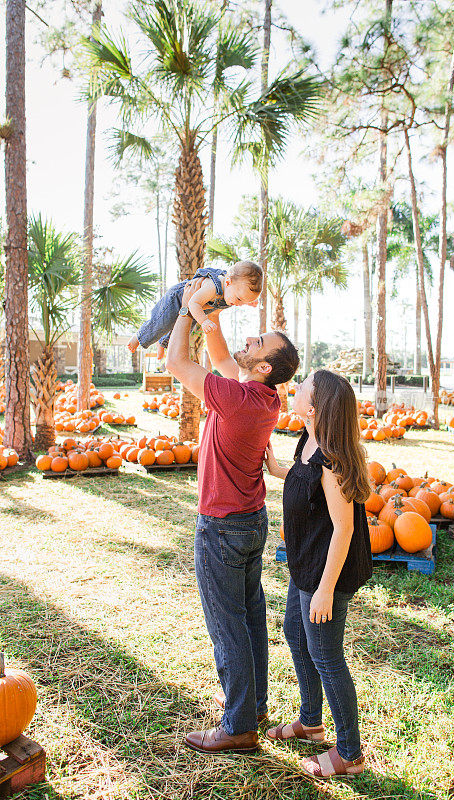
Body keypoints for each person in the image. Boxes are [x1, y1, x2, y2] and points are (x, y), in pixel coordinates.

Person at [165, 279, 299, 754]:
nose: (250, 339)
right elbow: (222, 362)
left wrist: (186, 311)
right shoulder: (262, 397)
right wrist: (211, 320)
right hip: (250, 520)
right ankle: (255, 705)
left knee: (228, 627)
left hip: (222, 526)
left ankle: (239, 725)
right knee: (249, 619)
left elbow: (176, 363)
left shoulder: (238, 399)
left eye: (258, 342)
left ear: (264, 366)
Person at [264, 369, 372, 780]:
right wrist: (277, 470)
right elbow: (303, 481)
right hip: (306, 564)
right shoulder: (307, 440)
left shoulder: (332, 458)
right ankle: (310, 723)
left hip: (329, 573)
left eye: (303, 386)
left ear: (312, 407)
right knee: (295, 633)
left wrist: (326, 590)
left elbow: (344, 529)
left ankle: (350, 754)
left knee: (327, 657)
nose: (296, 387)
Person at [127, 261, 262, 357]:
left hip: (195, 311)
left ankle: (162, 343)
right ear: (227, 282)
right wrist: (204, 321)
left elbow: (239, 295)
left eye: (244, 302)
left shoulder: (232, 289)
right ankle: (138, 337)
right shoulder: (213, 287)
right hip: (179, 299)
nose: (239, 304)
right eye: (239, 299)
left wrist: (248, 302)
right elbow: (193, 303)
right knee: (161, 322)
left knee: (183, 331)